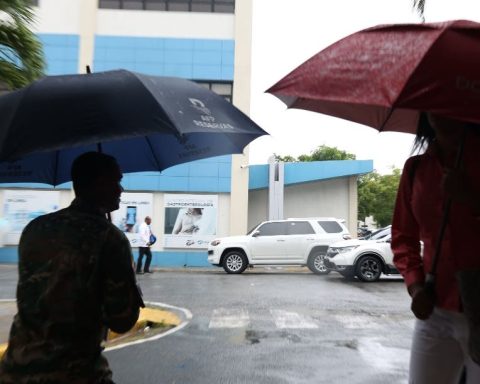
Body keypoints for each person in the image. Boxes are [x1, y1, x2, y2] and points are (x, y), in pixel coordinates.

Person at [0, 152, 144, 384]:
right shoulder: (109, 238)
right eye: (115, 181)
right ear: (97, 185)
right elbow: (122, 320)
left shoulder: (34, 229)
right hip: (74, 373)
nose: (120, 190)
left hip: (15, 370)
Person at [391, 112, 480, 383]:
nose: (440, 112)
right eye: (431, 104)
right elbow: (403, 237)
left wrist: (473, 200)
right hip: (436, 309)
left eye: (448, 105)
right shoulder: (416, 169)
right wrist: (416, 286)